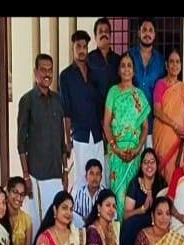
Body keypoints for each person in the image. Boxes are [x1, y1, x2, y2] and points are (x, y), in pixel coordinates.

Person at [18, 53, 69, 232]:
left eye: (50, 70)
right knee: (37, 224)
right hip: (35, 174)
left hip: (56, 173)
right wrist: (26, 175)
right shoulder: (27, 101)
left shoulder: (58, 100)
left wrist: (65, 171)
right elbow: (21, 142)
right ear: (35, 72)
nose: (47, 74)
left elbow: (62, 139)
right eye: (43, 70)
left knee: (55, 221)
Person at [103, 52, 150, 220]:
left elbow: (145, 127)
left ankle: (129, 235)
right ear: (118, 70)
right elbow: (106, 123)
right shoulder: (113, 92)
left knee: (131, 194)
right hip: (117, 152)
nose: (126, 69)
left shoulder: (139, 95)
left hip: (134, 154)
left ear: (134, 71)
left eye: (129, 65)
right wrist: (115, 149)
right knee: (117, 194)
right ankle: (116, 235)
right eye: (123, 65)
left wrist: (138, 150)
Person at [61, 30, 105, 193]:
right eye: (78, 46)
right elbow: (66, 111)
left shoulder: (95, 73)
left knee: (100, 177)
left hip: (97, 134)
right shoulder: (65, 76)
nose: (81, 50)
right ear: (73, 48)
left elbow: (101, 106)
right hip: (79, 135)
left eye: (84, 46)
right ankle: (79, 217)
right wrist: (67, 139)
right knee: (81, 178)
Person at [153, 48, 184, 184]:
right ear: (166, 65)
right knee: (165, 171)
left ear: (181, 66)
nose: (174, 65)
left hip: (180, 137)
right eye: (171, 62)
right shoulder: (160, 85)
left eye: (177, 62)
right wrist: (175, 126)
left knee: (180, 172)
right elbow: (157, 111)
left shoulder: (183, 88)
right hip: (164, 136)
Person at [120, 148, 168, 245]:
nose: (149, 165)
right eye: (145, 162)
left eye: (152, 162)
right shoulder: (135, 184)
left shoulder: (162, 184)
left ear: (156, 164)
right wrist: (142, 209)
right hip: (132, 231)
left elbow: (167, 210)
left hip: (155, 231)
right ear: (141, 166)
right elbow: (126, 215)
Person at [128, 17, 166, 147]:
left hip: (152, 123)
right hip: (131, 122)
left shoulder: (160, 61)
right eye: (144, 30)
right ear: (139, 33)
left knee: (150, 162)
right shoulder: (129, 56)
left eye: (150, 30)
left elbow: (164, 91)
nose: (147, 33)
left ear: (154, 35)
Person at [87, 18, 121, 123]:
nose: (104, 34)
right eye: (100, 32)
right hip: (95, 115)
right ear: (95, 36)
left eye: (106, 31)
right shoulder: (88, 60)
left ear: (110, 35)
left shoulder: (118, 60)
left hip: (116, 115)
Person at [1, 176, 34, 245]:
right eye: (15, 192)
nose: (18, 198)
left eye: (22, 194)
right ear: (7, 192)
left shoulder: (27, 219)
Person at [72, 159, 106, 229]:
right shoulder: (80, 193)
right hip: (84, 230)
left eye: (97, 174)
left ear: (101, 177)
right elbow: (76, 217)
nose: (95, 177)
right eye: (91, 173)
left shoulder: (106, 194)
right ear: (86, 177)